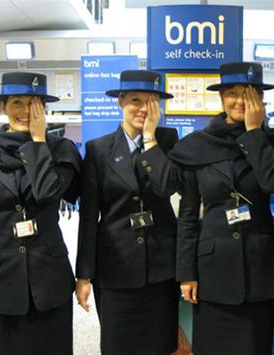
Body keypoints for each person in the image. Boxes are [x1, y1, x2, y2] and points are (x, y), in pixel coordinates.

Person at [169, 62, 274, 355]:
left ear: (261, 100)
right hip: (212, 271)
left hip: (259, 270)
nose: (240, 101)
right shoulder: (197, 145)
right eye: (233, 93)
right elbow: (187, 215)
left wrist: (253, 132)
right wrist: (186, 272)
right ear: (221, 97)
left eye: (249, 94)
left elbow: (273, 184)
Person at [0, 72, 81, 355]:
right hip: (0, 279)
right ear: (3, 107)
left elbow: (46, 194)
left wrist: (39, 143)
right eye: (17, 102)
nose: (26, 111)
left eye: (35, 104)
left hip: (49, 278)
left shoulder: (61, 151)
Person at [75, 70, 181, 355]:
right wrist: (83, 275)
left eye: (151, 100)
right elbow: (88, 217)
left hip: (161, 268)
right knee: (118, 346)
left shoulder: (168, 141)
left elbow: (166, 186)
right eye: (136, 100)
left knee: (160, 345)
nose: (144, 108)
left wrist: (150, 140)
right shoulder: (99, 150)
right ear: (120, 101)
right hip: (115, 269)